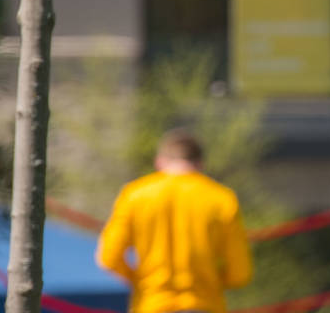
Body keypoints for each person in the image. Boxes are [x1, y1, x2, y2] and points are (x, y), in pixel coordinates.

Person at [96, 130, 253, 313]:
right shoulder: (221, 199)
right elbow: (240, 273)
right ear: (200, 164)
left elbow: (109, 258)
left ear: (160, 161)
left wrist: (141, 281)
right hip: (204, 304)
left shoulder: (135, 194)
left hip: (151, 303)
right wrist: (211, 284)